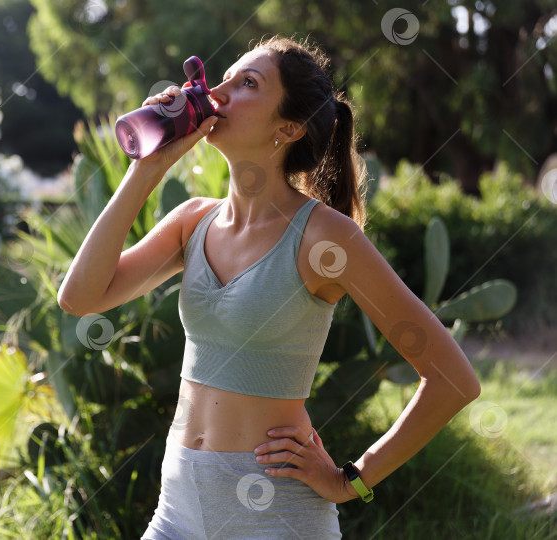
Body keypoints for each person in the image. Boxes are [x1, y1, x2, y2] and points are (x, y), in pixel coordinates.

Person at [57, 35, 481, 539]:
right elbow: (80, 298)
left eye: (247, 83)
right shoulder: (192, 222)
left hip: (277, 519)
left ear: (288, 128)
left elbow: (453, 379)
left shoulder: (325, 237)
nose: (218, 92)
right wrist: (146, 168)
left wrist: (351, 481)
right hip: (177, 513)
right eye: (224, 78)